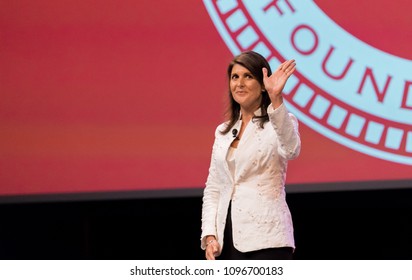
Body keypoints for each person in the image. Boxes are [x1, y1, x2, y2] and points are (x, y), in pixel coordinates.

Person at [200, 51, 301, 260]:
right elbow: (214, 187)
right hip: (227, 240)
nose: (240, 83)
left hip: (268, 239)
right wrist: (210, 235)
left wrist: (276, 99)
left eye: (248, 76)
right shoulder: (223, 132)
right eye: (235, 77)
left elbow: (291, 150)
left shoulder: (280, 121)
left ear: (263, 85)